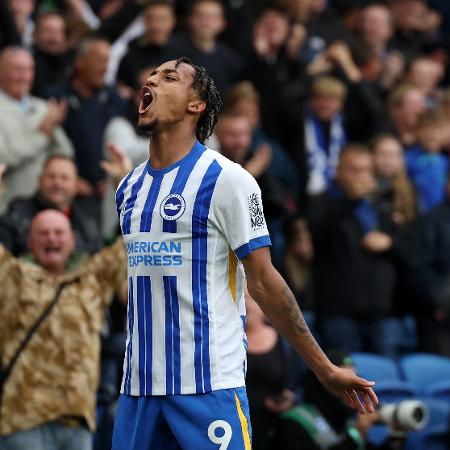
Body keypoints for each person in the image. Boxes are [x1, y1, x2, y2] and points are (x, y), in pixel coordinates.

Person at [111, 57, 377, 450]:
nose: (150, 80)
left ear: (195, 104)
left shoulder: (229, 180)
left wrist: (324, 368)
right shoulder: (129, 187)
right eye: (150, 76)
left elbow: (266, 282)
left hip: (207, 386)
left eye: (168, 78)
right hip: (137, 390)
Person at [0, 209, 127, 450]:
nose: (52, 238)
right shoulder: (11, 276)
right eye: (43, 233)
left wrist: (123, 181)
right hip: (23, 422)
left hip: (77, 424)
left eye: (59, 232)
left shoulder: (92, 278)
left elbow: (130, 243)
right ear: (29, 241)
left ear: (72, 239)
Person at [307, 144, 404, 357]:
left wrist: (389, 243)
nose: (361, 177)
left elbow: (407, 248)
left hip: (380, 312)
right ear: (338, 170)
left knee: (385, 380)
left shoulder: (381, 207)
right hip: (339, 312)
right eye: (354, 170)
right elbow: (320, 232)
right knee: (348, 381)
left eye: (366, 170)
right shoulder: (321, 202)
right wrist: (351, 199)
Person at [0, 46, 73, 213]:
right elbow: (4, 157)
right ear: (1, 71)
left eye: (28, 70)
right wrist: (42, 133)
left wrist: (50, 129)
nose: (23, 76)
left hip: (48, 204)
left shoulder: (43, 107)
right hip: (9, 207)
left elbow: (65, 152)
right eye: (16, 69)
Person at [0, 155, 103, 256]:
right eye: (51, 176)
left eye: (64, 178)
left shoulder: (88, 218)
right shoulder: (16, 214)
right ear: (39, 181)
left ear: (76, 185)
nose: (57, 183)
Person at [245, 294, 297, 450]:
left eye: (251, 298)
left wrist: (290, 398)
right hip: (233, 416)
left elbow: (298, 383)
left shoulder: (283, 340)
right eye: (240, 297)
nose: (246, 304)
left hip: (272, 421)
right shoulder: (222, 338)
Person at [405, 110, 448, 213]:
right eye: (427, 129)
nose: (431, 135)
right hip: (419, 218)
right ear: (418, 132)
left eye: (436, 129)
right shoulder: (407, 159)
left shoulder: (445, 162)